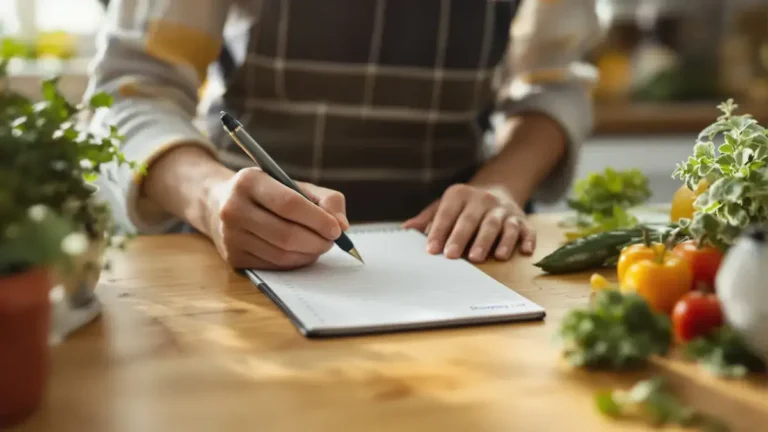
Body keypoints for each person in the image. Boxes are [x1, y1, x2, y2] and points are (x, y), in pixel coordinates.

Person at [84, 0, 601, 270]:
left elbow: (552, 86)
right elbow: (132, 90)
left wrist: (500, 186)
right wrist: (210, 196)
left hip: (459, 259)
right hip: (236, 261)